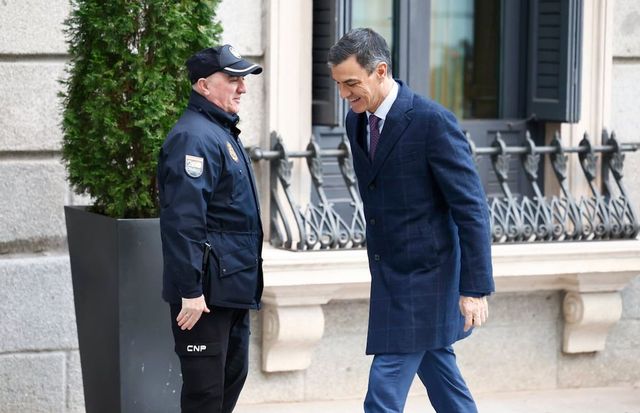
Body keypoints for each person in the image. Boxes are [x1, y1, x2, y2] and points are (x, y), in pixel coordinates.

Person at [328, 28, 495, 413]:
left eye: (352, 83)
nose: (344, 95)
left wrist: (474, 288)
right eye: (338, 85)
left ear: (380, 71)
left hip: (427, 277)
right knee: (441, 374)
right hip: (389, 272)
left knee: (383, 392)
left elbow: (470, 208)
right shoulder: (357, 121)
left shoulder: (432, 122)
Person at [157, 44, 264, 413]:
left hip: (230, 289)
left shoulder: (220, 132)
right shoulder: (195, 138)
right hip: (203, 298)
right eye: (232, 79)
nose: (242, 88)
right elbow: (183, 220)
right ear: (203, 85)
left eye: (243, 80)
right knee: (205, 396)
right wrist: (190, 289)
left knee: (227, 387)